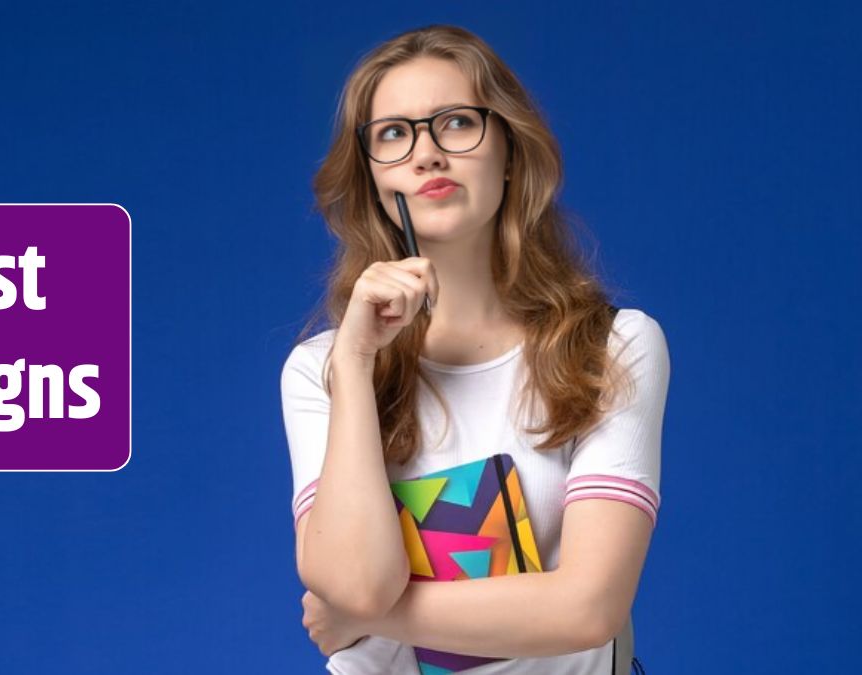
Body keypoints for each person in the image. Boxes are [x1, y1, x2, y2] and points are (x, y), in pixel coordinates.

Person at [280, 24, 669, 675]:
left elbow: (590, 608)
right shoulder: (320, 369)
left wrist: (368, 618)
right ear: (373, 176)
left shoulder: (613, 346)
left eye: (456, 123)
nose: (427, 154)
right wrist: (353, 365)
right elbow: (356, 583)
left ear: (510, 150)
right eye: (394, 134)